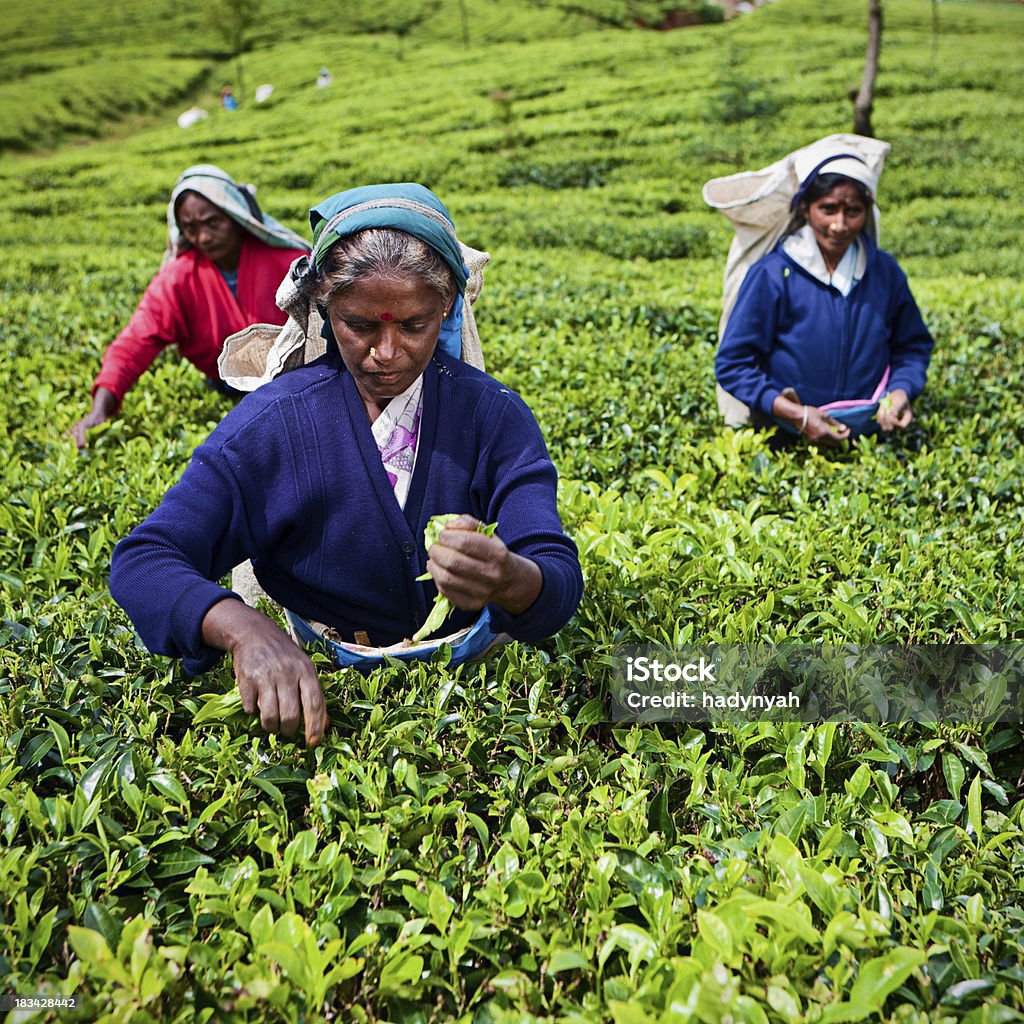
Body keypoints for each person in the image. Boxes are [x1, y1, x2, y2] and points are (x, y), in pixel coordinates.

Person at [109, 183, 584, 747]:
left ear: (449, 307)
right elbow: (146, 559)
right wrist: (243, 628)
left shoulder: (492, 418)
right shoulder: (274, 424)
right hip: (324, 693)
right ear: (325, 309)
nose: (386, 352)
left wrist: (511, 577)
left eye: (413, 325)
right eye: (360, 325)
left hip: (476, 703)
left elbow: (555, 575)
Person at [72, 165, 308, 448]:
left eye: (212, 223)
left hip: (296, 385)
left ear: (234, 216)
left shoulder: (288, 262)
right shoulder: (179, 279)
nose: (204, 238)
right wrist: (100, 409)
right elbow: (135, 341)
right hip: (225, 386)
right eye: (191, 228)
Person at [714, 151, 934, 446]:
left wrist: (901, 391)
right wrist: (797, 416)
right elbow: (733, 363)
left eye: (853, 211)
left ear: (867, 212)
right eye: (828, 209)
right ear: (805, 208)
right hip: (786, 441)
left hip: (869, 442)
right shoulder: (774, 274)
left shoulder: (884, 272)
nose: (839, 225)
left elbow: (912, 346)